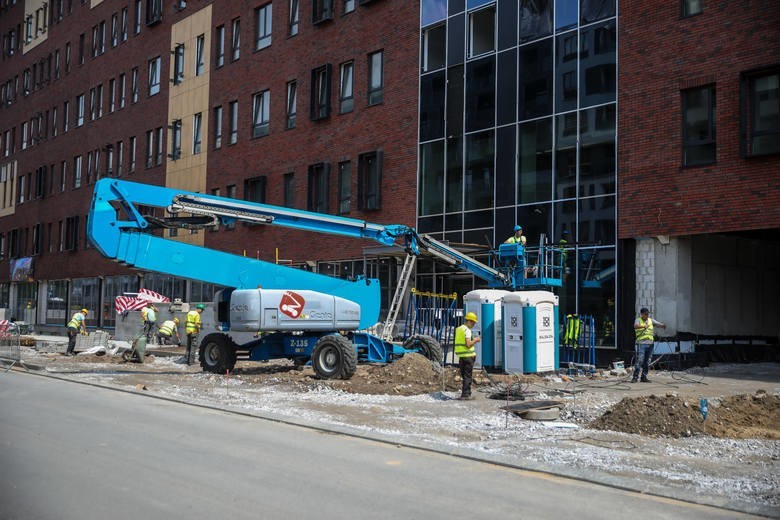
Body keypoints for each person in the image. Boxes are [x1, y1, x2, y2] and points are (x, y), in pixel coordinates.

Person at [632, 307, 665, 383]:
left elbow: (657, 324)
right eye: (645, 314)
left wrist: (662, 325)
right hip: (641, 344)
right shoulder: (638, 320)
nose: (647, 316)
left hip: (650, 344)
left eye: (647, 314)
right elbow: (635, 326)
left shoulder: (650, 320)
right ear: (642, 314)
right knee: (640, 360)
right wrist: (644, 326)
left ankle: (644, 377)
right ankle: (635, 377)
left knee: (647, 361)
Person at [453, 311, 481, 400]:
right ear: (469, 321)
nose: (473, 324)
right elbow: (468, 344)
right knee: (467, 376)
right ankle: (466, 395)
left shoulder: (459, 329)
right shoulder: (467, 330)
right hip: (469, 356)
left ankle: (467, 393)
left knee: (464, 376)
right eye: (473, 322)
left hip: (461, 357)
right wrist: (476, 340)